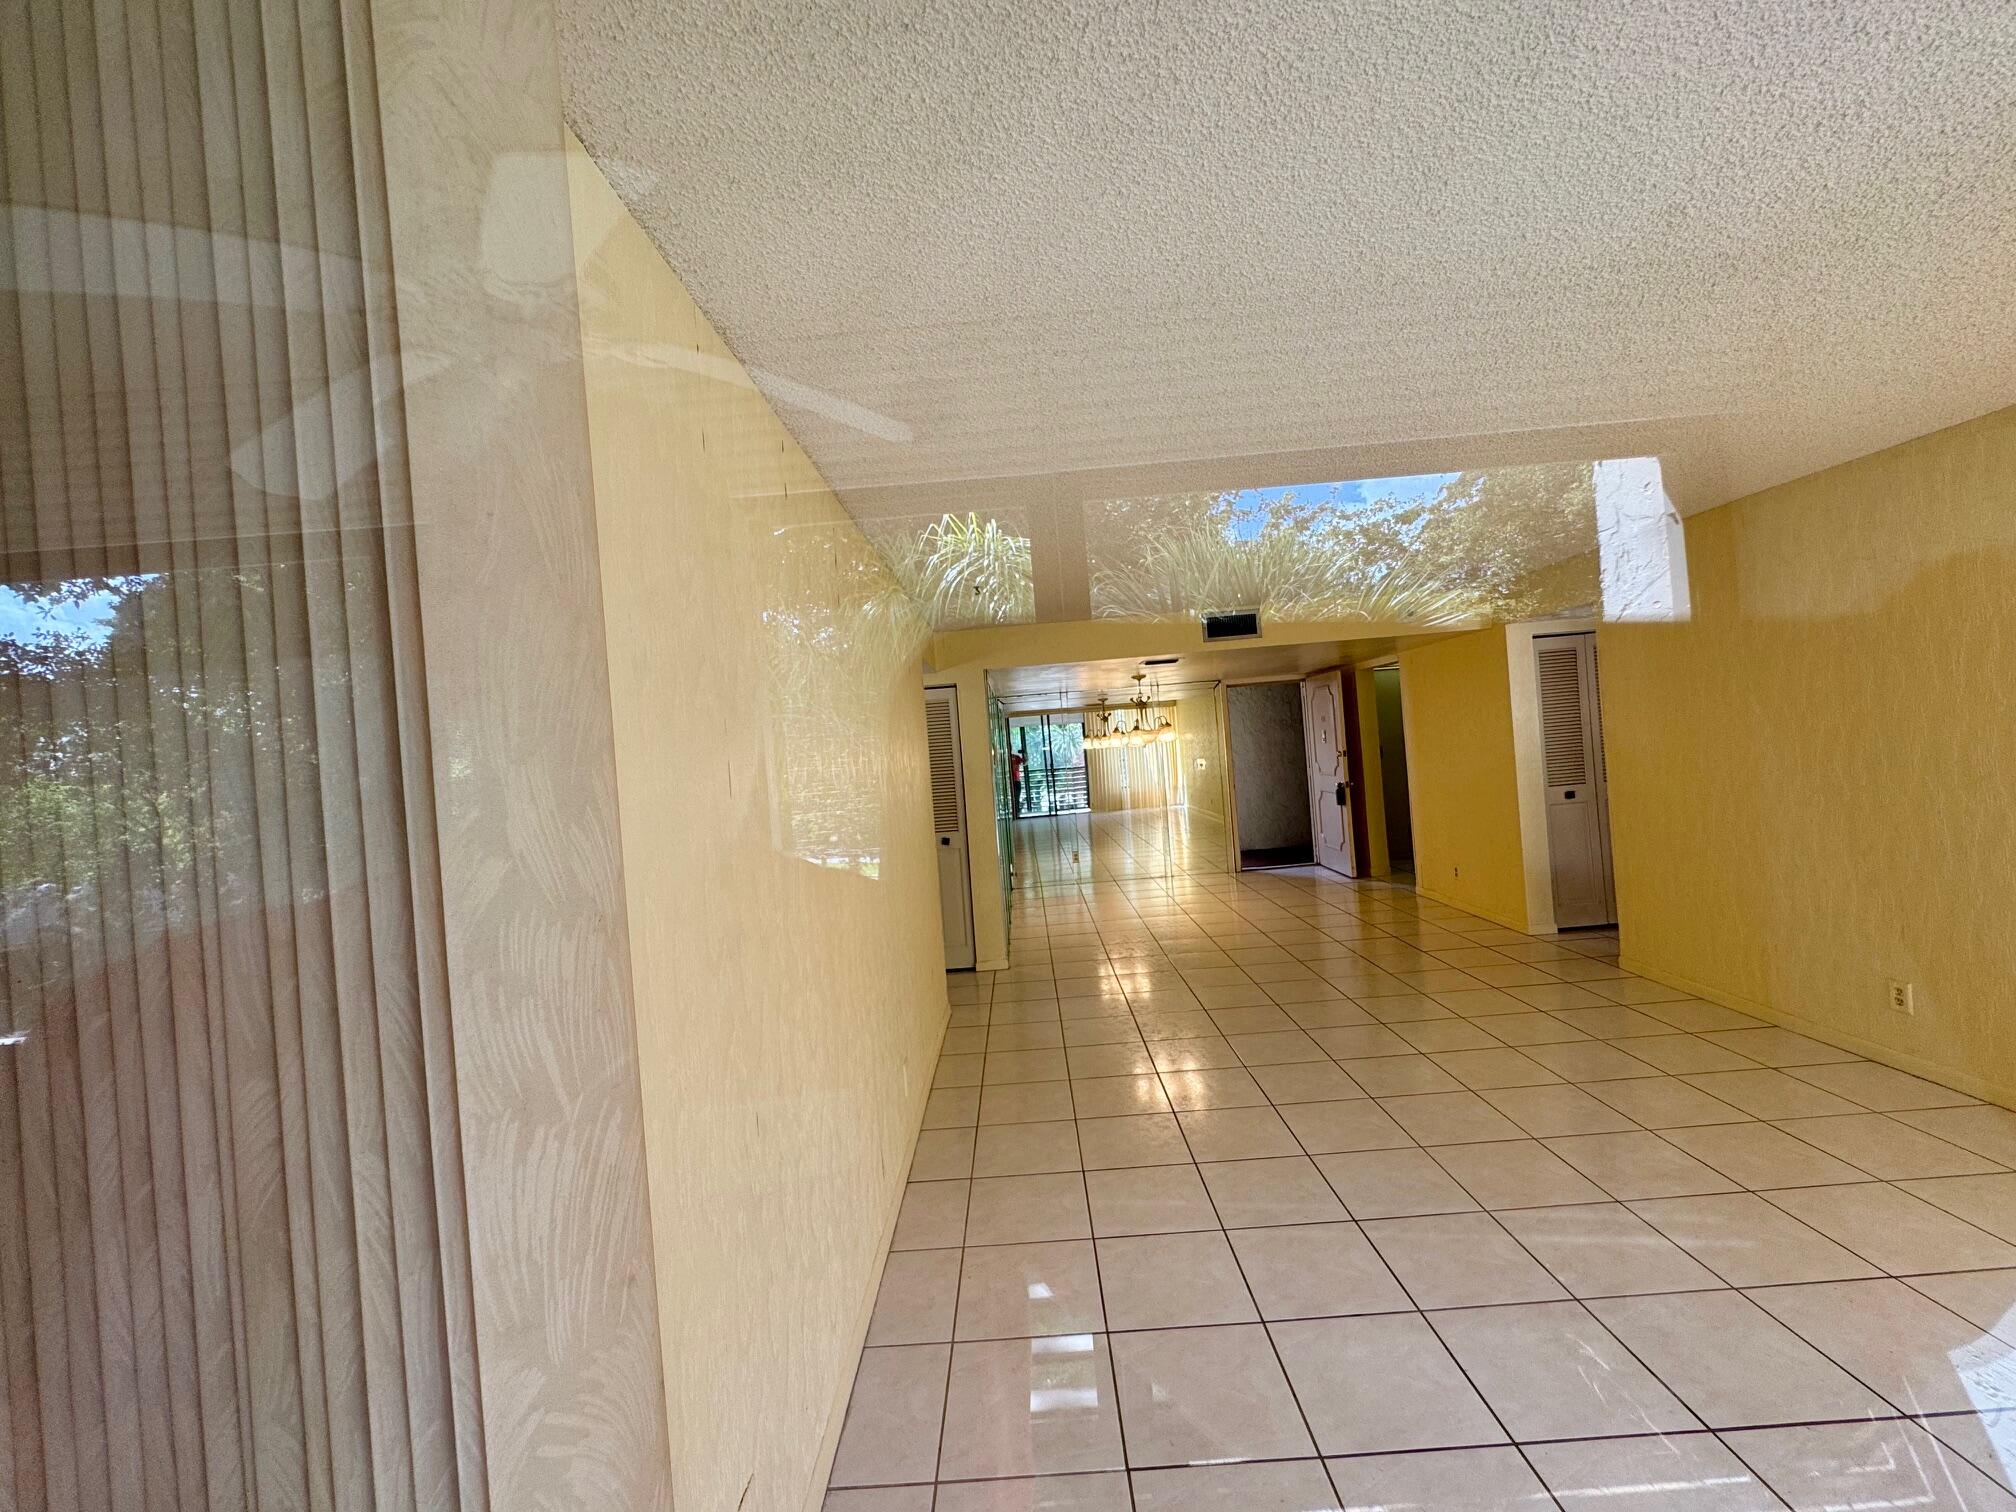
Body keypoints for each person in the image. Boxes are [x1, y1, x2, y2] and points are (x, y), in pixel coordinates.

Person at [1009, 749, 1026, 815]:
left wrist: (1024, 753)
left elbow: (1025, 762)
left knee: (1017, 796)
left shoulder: (1016, 757)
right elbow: (1025, 762)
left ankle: (1016, 811)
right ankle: (1015, 811)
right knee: (1015, 796)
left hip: (1016, 780)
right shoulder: (1007, 758)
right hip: (1012, 780)